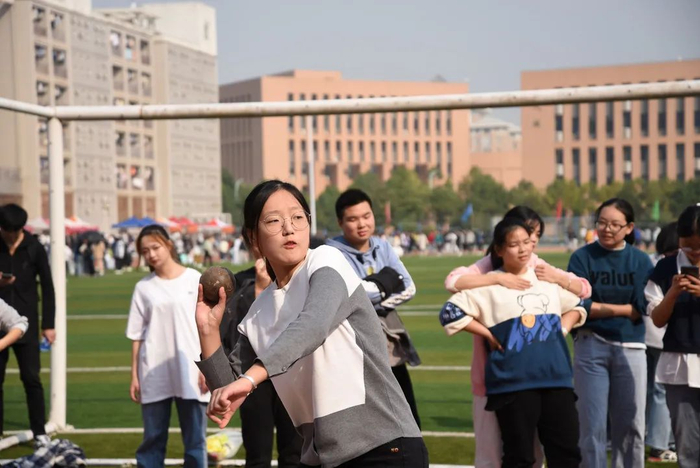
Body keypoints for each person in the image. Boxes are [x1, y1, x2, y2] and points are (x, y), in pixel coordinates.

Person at [195, 180, 426, 467]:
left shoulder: (327, 261)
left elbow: (313, 325)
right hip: (321, 455)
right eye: (274, 221)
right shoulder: (259, 312)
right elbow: (228, 392)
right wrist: (208, 330)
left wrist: (250, 378)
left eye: (297, 217)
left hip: (383, 447)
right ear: (253, 237)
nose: (289, 228)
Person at [444, 206, 591, 468]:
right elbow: (449, 312)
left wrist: (562, 329)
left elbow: (580, 303)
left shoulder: (544, 276)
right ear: (499, 249)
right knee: (519, 457)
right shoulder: (488, 282)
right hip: (512, 384)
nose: (523, 249)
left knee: (567, 454)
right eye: (514, 244)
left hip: (556, 380)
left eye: (528, 241)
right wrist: (488, 333)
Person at [567, 198, 654, 468]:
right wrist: (623, 309)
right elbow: (578, 305)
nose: (607, 229)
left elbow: (641, 308)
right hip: (590, 345)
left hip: (631, 347)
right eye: (602, 223)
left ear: (629, 228)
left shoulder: (640, 261)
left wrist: (598, 308)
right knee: (591, 426)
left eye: (615, 224)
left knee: (631, 425)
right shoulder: (582, 258)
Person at [326, 189, 421, 428]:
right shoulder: (330, 254)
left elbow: (409, 288)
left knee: (408, 416)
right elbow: (346, 295)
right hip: (354, 346)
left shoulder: (383, 247)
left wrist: (367, 297)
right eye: (353, 219)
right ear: (340, 222)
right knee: (368, 422)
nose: (362, 224)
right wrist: (386, 282)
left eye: (366, 216)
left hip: (389, 343)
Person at [126, 224, 209, 468]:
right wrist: (134, 375)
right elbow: (137, 335)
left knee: (195, 441)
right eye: (145, 251)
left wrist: (208, 367)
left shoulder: (194, 279)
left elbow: (208, 327)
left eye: (155, 247)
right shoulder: (143, 288)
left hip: (191, 368)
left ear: (169, 245)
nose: (151, 254)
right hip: (153, 370)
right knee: (152, 439)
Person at [219, 254, 302, 468]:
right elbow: (237, 332)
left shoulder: (303, 275)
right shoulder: (239, 281)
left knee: (295, 455)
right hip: (253, 376)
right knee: (257, 454)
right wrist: (259, 288)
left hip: (293, 373)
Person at [647, 205, 700, 468]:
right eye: (687, 247)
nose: (693, 253)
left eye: (699, 248)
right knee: (687, 446)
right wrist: (672, 294)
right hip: (679, 365)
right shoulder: (665, 267)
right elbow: (657, 319)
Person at [0, 203, 55, 447]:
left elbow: (48, 285)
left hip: (26, 322)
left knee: (31, 378)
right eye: (6, 231)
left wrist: (48, 324)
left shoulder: (34, 247)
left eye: (15, 231)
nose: (11, 236)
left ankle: (39, 431)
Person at [643, 222, 679, 463]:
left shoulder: (653, 262)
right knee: (661, 391)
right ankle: (659, 444)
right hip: (663, 337)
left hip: (649, 336)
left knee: (653, 390)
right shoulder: (669, 268)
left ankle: (658, 438)